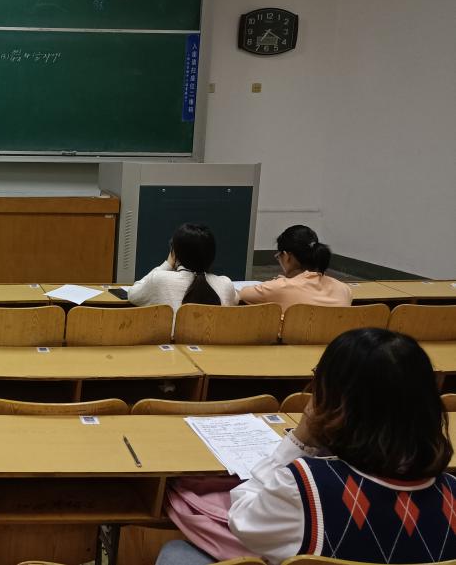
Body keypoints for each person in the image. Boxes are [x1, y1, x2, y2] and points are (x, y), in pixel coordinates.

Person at [157, 328, 456, 565]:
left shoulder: (305, 487)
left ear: (335, 402)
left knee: (177, 554)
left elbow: (242, 519)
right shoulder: (452, 494)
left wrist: (299, 441)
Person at [127, 223, 237, 312]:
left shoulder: (160, 280)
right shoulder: (226, 284)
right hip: (217, 335)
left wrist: (168, 264)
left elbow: (133, 294)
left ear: (174, 253)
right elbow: (236, 298)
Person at [238, 224, 351, 311]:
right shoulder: (344, 290)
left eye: (279, 256)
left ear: (287, 256)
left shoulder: (279, 287)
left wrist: (279, 281)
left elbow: (242, 294)